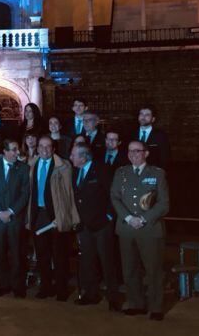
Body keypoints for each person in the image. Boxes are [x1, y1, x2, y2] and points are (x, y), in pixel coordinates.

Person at [111, 140, 169, 321]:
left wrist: (143, 218)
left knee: (153, 270)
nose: (133, 154)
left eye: (137, 151)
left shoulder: (157, 174)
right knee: (129, 269)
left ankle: (156, 306)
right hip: (127, 228)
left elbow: (164, 203)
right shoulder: (121, 172)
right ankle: (136, 304)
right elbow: (114, 197)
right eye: (130, 151)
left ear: (146, 153)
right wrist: (128, 218)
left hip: (149, 229)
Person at [26, 135, 80, 301]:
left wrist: (67, 217)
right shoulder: (31, 164)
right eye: (41, 146)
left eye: (48, 146)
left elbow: (69, 193)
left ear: (53, 148)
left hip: (57, 215)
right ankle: (46, 287)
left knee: (59, 255)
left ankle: (62, 289)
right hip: (38, 215)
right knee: (42, 255)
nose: (44, 149)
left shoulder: (63, 166)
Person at [69, 143, 121, 311]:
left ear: (83, 157)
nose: (71, 158)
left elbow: (113, 195)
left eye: (73, 155)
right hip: (84, 226)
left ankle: (113, 298)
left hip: (102, 226)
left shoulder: (102, 170)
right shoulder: (75, 171)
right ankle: (91, 294)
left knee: (107, 262)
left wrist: (108, 217)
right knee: (87, 261)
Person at [0, 139, 30, 298]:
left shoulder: (23, 168)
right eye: (13, 150)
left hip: (15, 218)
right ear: (4, 151)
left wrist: (10, 211)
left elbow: (25, 193)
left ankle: (18, 286)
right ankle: (3, 285)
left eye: (17, 149)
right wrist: (0, 212)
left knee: (17, 253)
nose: (16, 152)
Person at [134, 105, 170, 170]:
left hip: (153, 173)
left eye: (147, 115)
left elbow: (165, 158)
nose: (143, 117)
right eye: (141, 114)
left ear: (153, 119)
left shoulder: (161, 136)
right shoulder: (130, 134)